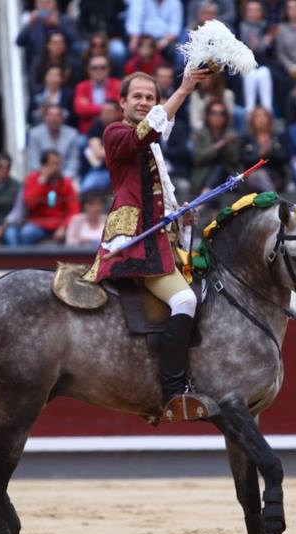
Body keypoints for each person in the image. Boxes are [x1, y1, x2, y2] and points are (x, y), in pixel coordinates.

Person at [82, 68, 213, 409]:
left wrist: (178, 214)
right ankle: (173, 390)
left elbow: (156, 193)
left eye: (149, 97)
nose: (143, 102)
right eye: (137, 97)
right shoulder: (115, 132)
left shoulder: (150, 143)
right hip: (135, 241)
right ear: (121, 101)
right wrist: (184, 88)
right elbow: (146, 131)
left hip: (156, 238)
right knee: (185, 301)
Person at [6, 150, 79, 245]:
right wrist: (42, 182)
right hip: (38, 223)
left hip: (60, 224)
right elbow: (29, 204)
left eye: (58, 164)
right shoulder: (32, 179)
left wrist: (63, 227)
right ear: (43, 165)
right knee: (27, 233)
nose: (56, 168)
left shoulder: (66, 183)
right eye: (52, 164)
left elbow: (73, 211)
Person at [190, 100, 242, 197]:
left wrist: (228, 144)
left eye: (221, 113)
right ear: (207, 115)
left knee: (219, 168)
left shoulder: (232, 133)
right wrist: (219, 145)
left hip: (228, 174)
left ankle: (204, 197)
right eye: (213, 113)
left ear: (226, 117)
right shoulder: (201, 133)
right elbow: (198, 157)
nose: (217, 117)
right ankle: (205, 195)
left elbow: (234, 158)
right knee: (216, 169)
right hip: (204, 175)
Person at [240, 105, 289, 192]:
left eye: (264, 115)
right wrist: (260, 154)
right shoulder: (246, 138)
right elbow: (244, 159)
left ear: (269, 119)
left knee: (265, 177)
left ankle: (271, 197)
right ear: (252, 120)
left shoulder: (278, 136)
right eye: (258, 116)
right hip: (253, 177)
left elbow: (285, 156)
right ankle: (274, 198)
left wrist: (270, 152)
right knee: (259, 175)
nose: (261, 119)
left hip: (275, 175)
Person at [15, 0, 77, 68]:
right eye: (41, 3)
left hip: (62, 64)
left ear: (54, 4)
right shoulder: (34, 22)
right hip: (38, 66)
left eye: (47, 2)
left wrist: (58, 24)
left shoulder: (63, 19)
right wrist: (29, 24)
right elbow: (19, 42)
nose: (44, 6)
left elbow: (74, 39)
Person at [239, 1, 276, 113]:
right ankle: (249, 112)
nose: (254, 13)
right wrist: (257, 46)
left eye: (257, 10)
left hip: (265, 63)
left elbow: (271, 51)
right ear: (245, 13)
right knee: (250, 73)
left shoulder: (268, 27)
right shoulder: (240, 28)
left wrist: (264, 44)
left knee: (264, 72)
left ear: (262, 12)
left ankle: (267, 111)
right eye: (251, 10)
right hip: (245, 65)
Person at [27, 104, 80, 180]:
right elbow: (34, 162)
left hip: (65, 177)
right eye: (50, 115)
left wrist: (63, 177)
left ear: (62, 118)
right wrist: (46, 175)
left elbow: (73, 161)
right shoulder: (34, 134)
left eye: (57, 115)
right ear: (45, 117)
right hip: (41, 176)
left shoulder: (72, 134)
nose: (54, 119)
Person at [73, 56, 121, 134]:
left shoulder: (118, 85)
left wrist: (89, 107)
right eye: (94, 68)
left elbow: (121, 110)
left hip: (113, 131)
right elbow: (80, 110)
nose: (99, 70)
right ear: (88, 70)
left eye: (103, 67)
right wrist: (108, 109)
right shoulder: (82, 86)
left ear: (109, 69)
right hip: (87, 132)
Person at [81, 99, 121, 192]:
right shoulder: (96, 126)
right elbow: (98, 153)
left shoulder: (123, 126)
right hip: (102, 170)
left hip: (122, 170)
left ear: (117, 113)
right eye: (103, 112)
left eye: (109, 112)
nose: (105, 115)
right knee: (87, 187)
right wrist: (118, 150)